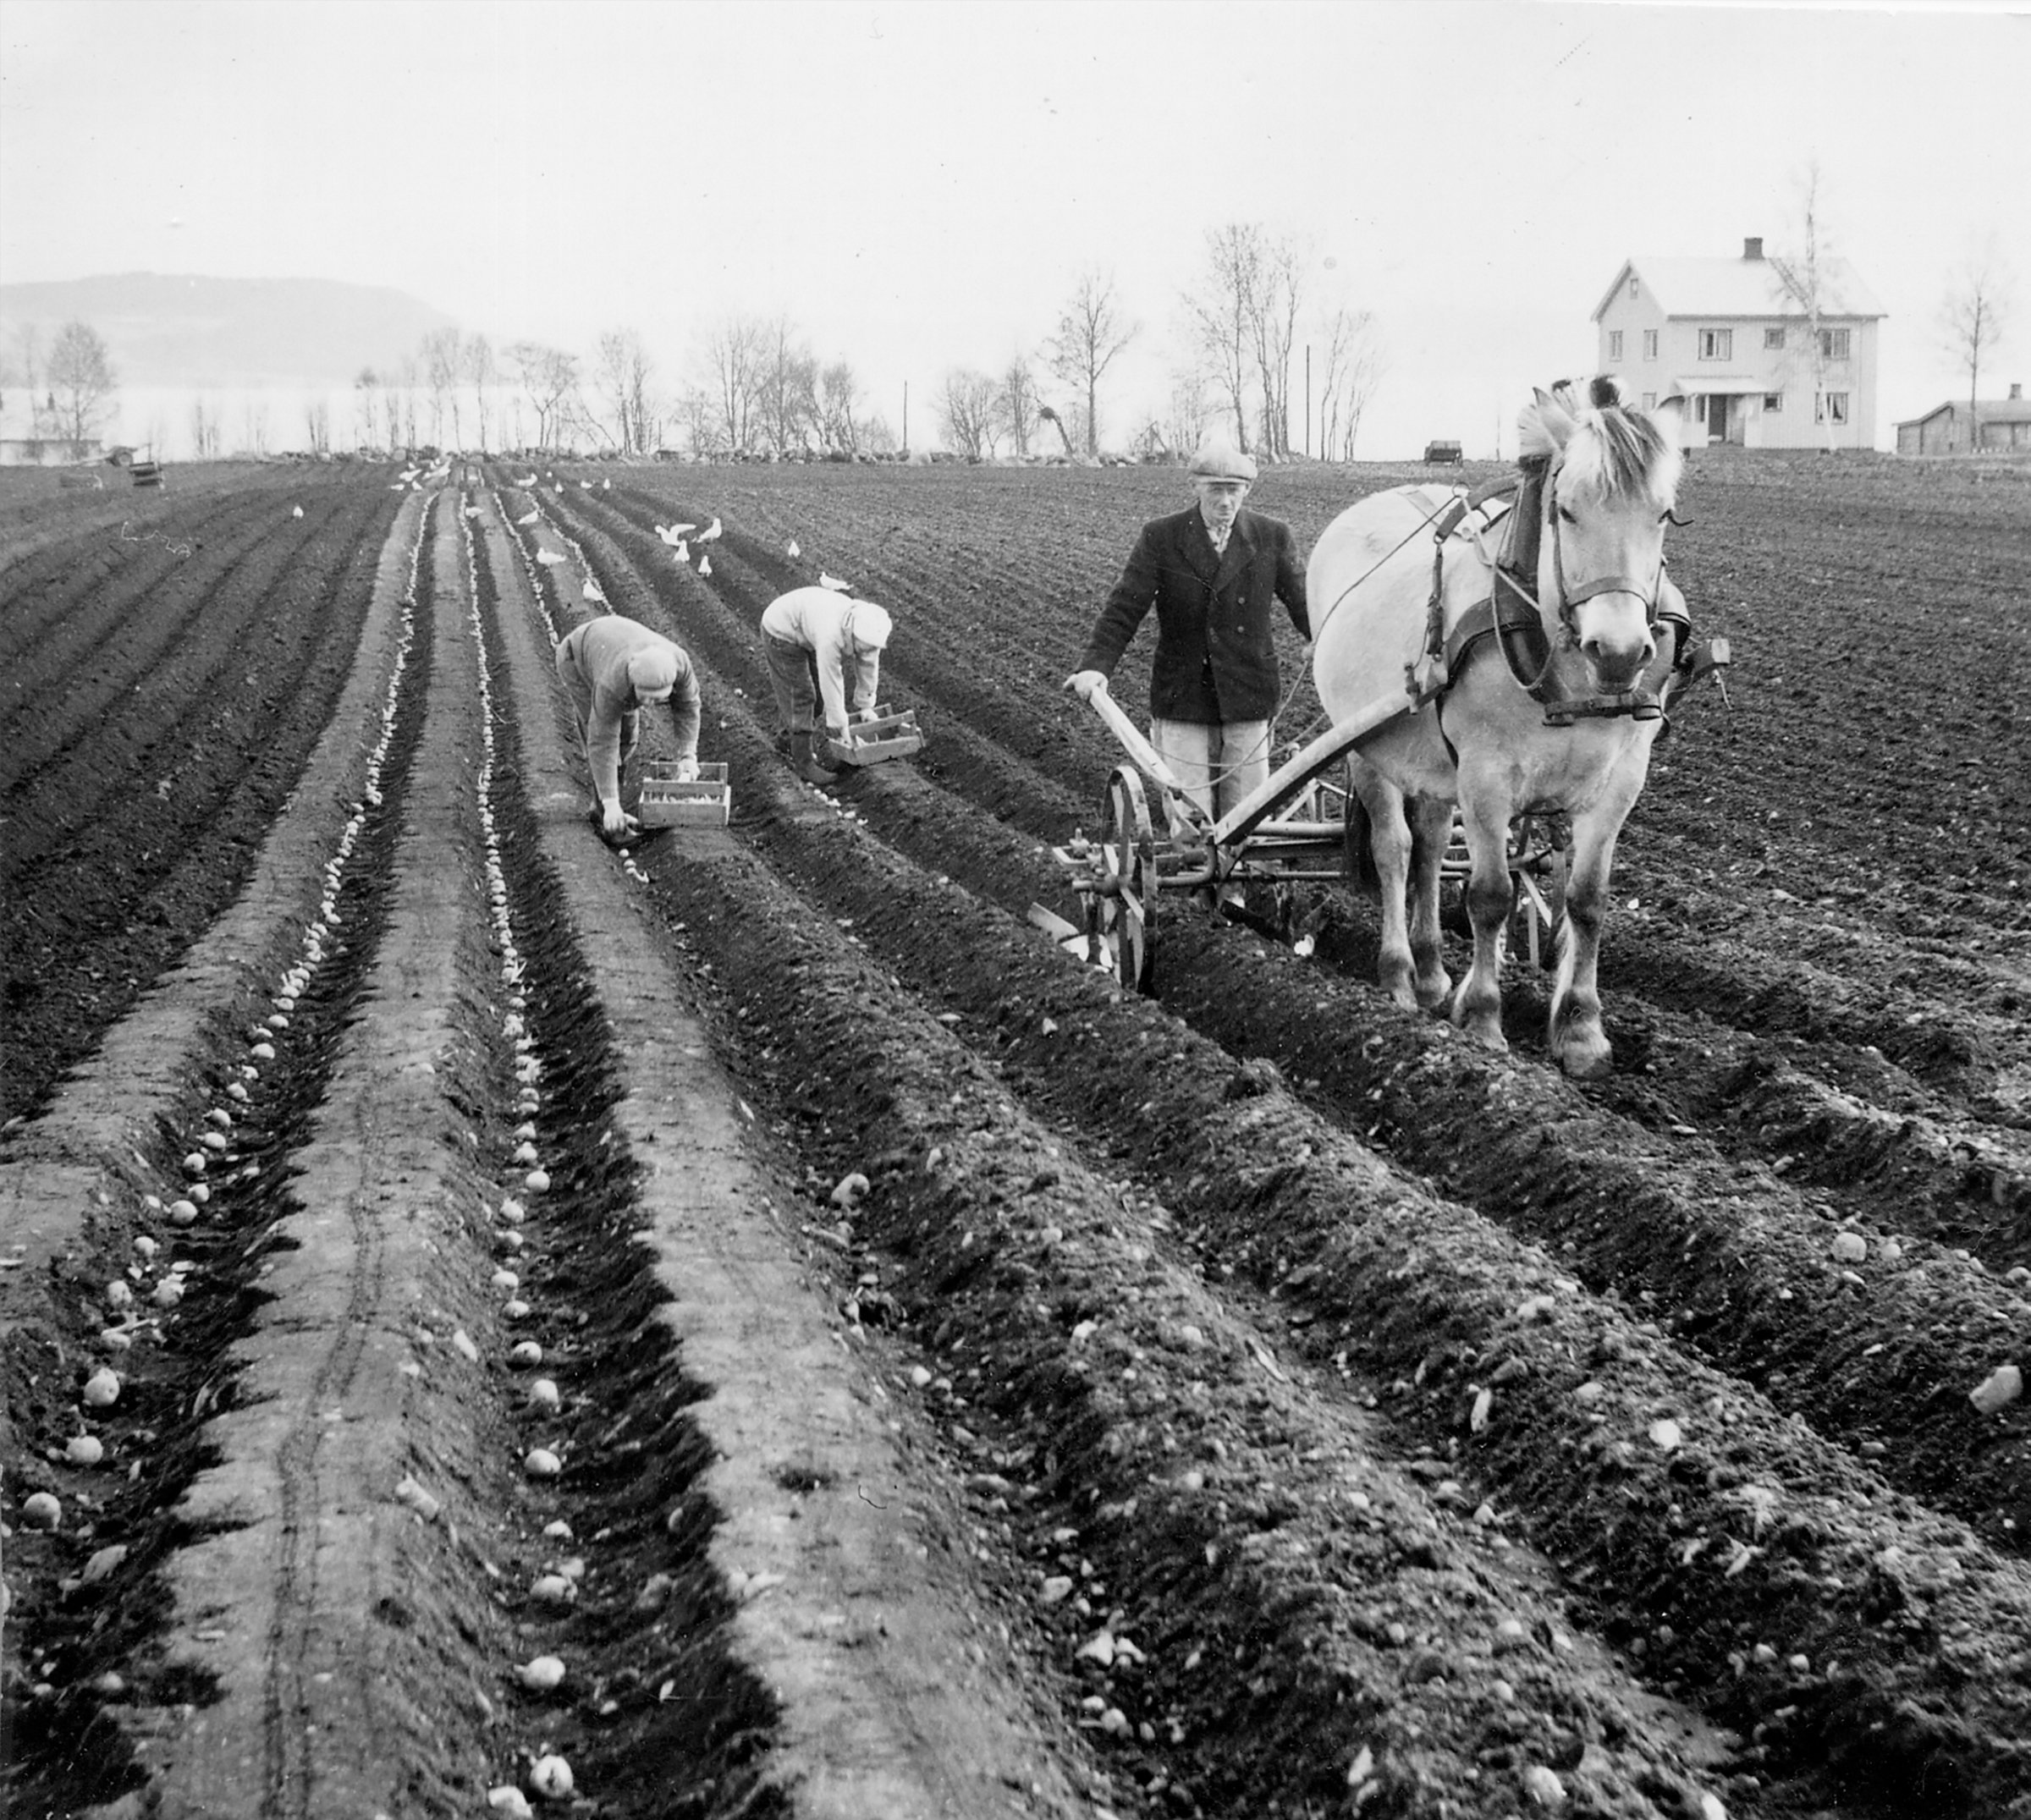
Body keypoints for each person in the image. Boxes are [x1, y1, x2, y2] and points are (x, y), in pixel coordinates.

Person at [1065, 438, 1308, 826]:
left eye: (1234, 490)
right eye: (1215, 490)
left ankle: (1238, 868)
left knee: (1249, 814)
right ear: (1195, 486)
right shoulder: (1162, 537)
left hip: (1248, 692)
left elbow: (1303, 602)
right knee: (1190, 816)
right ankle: (1196, 865)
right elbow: (1124, 607)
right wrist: (1096, 666)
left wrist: (1323, 640)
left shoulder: (1272, 536)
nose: (1225, 501)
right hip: (1184, 695)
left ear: (1247, 490)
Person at [554, 614, 702, 843]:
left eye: (657, 699)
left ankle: (609, 805)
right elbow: (602, 740)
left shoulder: (680, 664)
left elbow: (688, 708)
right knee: (602, 731)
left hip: (613, 644)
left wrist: (688, 755)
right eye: (646, 697)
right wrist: (611, 803)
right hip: (576, 658)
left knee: (627, 737)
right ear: (633, 684)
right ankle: (605, 813)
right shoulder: (612, 684)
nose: (650, 705)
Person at [759, 586, 893, 784]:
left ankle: (787, 740)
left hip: (806, 626)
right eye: (864, 648)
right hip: (781, 630)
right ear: (852, 634)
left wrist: (866, 706)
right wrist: (842, 727)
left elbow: (869, 665)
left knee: (819, 701)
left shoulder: (871, 629)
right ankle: (804, 763)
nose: (867, 652)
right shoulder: (830, 635)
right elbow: (831, 679)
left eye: (872, 648)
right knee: (802, 695)